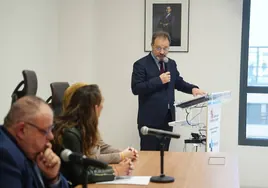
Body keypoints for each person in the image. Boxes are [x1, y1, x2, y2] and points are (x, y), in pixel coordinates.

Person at [131, 31, 206, 151]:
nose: (162, 52)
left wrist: (193, 88)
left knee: (164, 155)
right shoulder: (140, 64)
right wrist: (159, 80)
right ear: (152, 46)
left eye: (165, 48)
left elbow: (178, 82)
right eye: (158, 48)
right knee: (149, 159)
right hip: (149, 121)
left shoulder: (171, 64)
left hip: (167, 119)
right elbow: (136, 88)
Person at [52, 84, 136, 186]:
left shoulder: (81, 127)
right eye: (101, 103)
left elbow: (88, 165)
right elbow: (79, 175)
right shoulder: (70, 133)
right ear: (95, 108)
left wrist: (116, 167)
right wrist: (116, 171)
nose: (102, 107)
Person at [0, 96, 69, 188]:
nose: (51, 136)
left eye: (51, 129)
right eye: (46, 131)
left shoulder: (32, 152)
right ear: (22, 130)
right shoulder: (5, 156)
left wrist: (53, 177)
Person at [61, 82, 139, 164]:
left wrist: (125, 152)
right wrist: (121, 156)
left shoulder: (88, 123)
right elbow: (92, 158)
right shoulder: (77, 128)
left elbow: (101, 146)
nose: (102, 105)